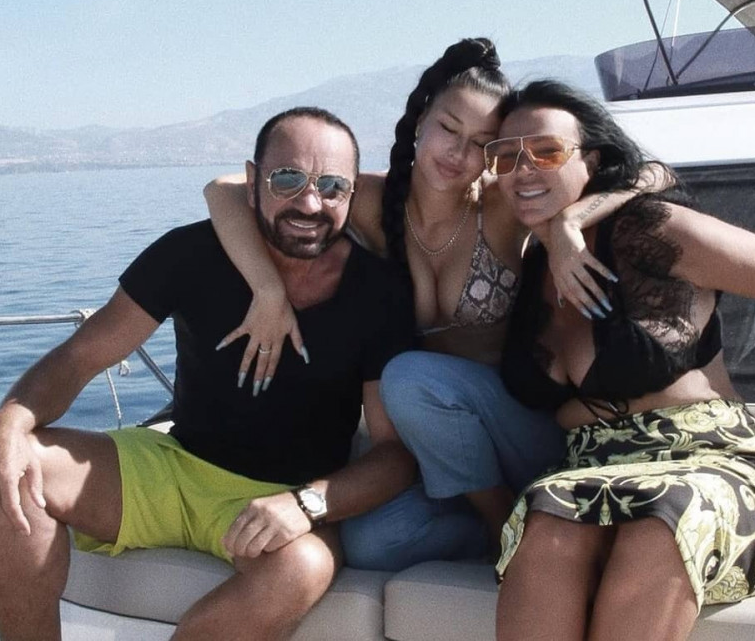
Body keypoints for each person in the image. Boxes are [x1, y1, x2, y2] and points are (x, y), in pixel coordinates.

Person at [204, 39, 668, 568]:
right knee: (371, 545)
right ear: (421, 120)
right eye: (449, 128)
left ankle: (505, 531)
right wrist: (267, 290)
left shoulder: (503, 205)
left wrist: (569, 223)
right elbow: (224, 190)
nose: (458, 153)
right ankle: (502, 530)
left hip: (516, 430)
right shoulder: (369, 201)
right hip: (432, 449)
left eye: (481, 143)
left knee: (408, 375)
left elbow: (654, 173)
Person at [0, 106, 417, 641]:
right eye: (287, 179)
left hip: (282, 492)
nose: (309, 203)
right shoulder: (191, 254)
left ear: (352, 194)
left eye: (331, 186)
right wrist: (9, 422)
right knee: (18, 467)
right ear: (251, 181)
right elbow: (79, 358)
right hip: (171, 466)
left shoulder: (378, 294)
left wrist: (307, 503)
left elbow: (393, 454)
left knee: (303, 568)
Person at [488, 80, 755, 641]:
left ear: (592, 160)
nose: (522, 169)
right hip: (590, 469)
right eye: (505, 156)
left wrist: (573, 222)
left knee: (658, 524)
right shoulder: (526, 263)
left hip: (710, 461)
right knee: (547, 521)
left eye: (546, 152)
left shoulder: (648, 228)